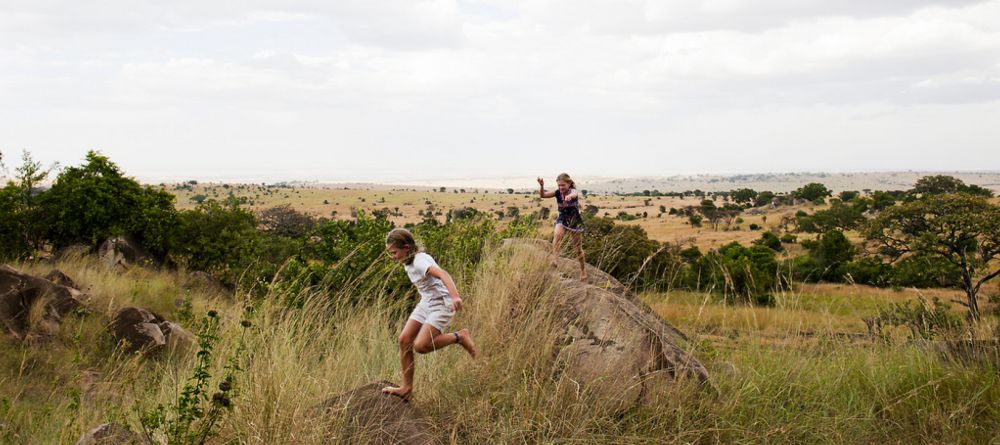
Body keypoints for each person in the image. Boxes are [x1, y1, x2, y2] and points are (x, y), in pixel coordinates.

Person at [382, 228, 477, 401]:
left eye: (394, 252)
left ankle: (460, 337)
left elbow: (442, 274)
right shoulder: (407, 261)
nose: (393, 257)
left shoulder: (419, 261)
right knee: (404, 340)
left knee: (421, 346)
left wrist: (455, 296)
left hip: (442, 303)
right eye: (390, 253)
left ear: (406, 247)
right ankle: (407, 388)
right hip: (426, 302)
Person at [537, 173, 588, 280]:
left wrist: (569, 196)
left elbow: (574, 193)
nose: (561, 187)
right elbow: (542, 195)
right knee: (557, 235)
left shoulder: (573, 191)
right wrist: (541, 186)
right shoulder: (557, 193)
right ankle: (555, 260)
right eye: (559, 185)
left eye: (563, 185)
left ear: (569, 184)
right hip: (562, 218)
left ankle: (583, 271)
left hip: (574, 220)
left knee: (578, 249)